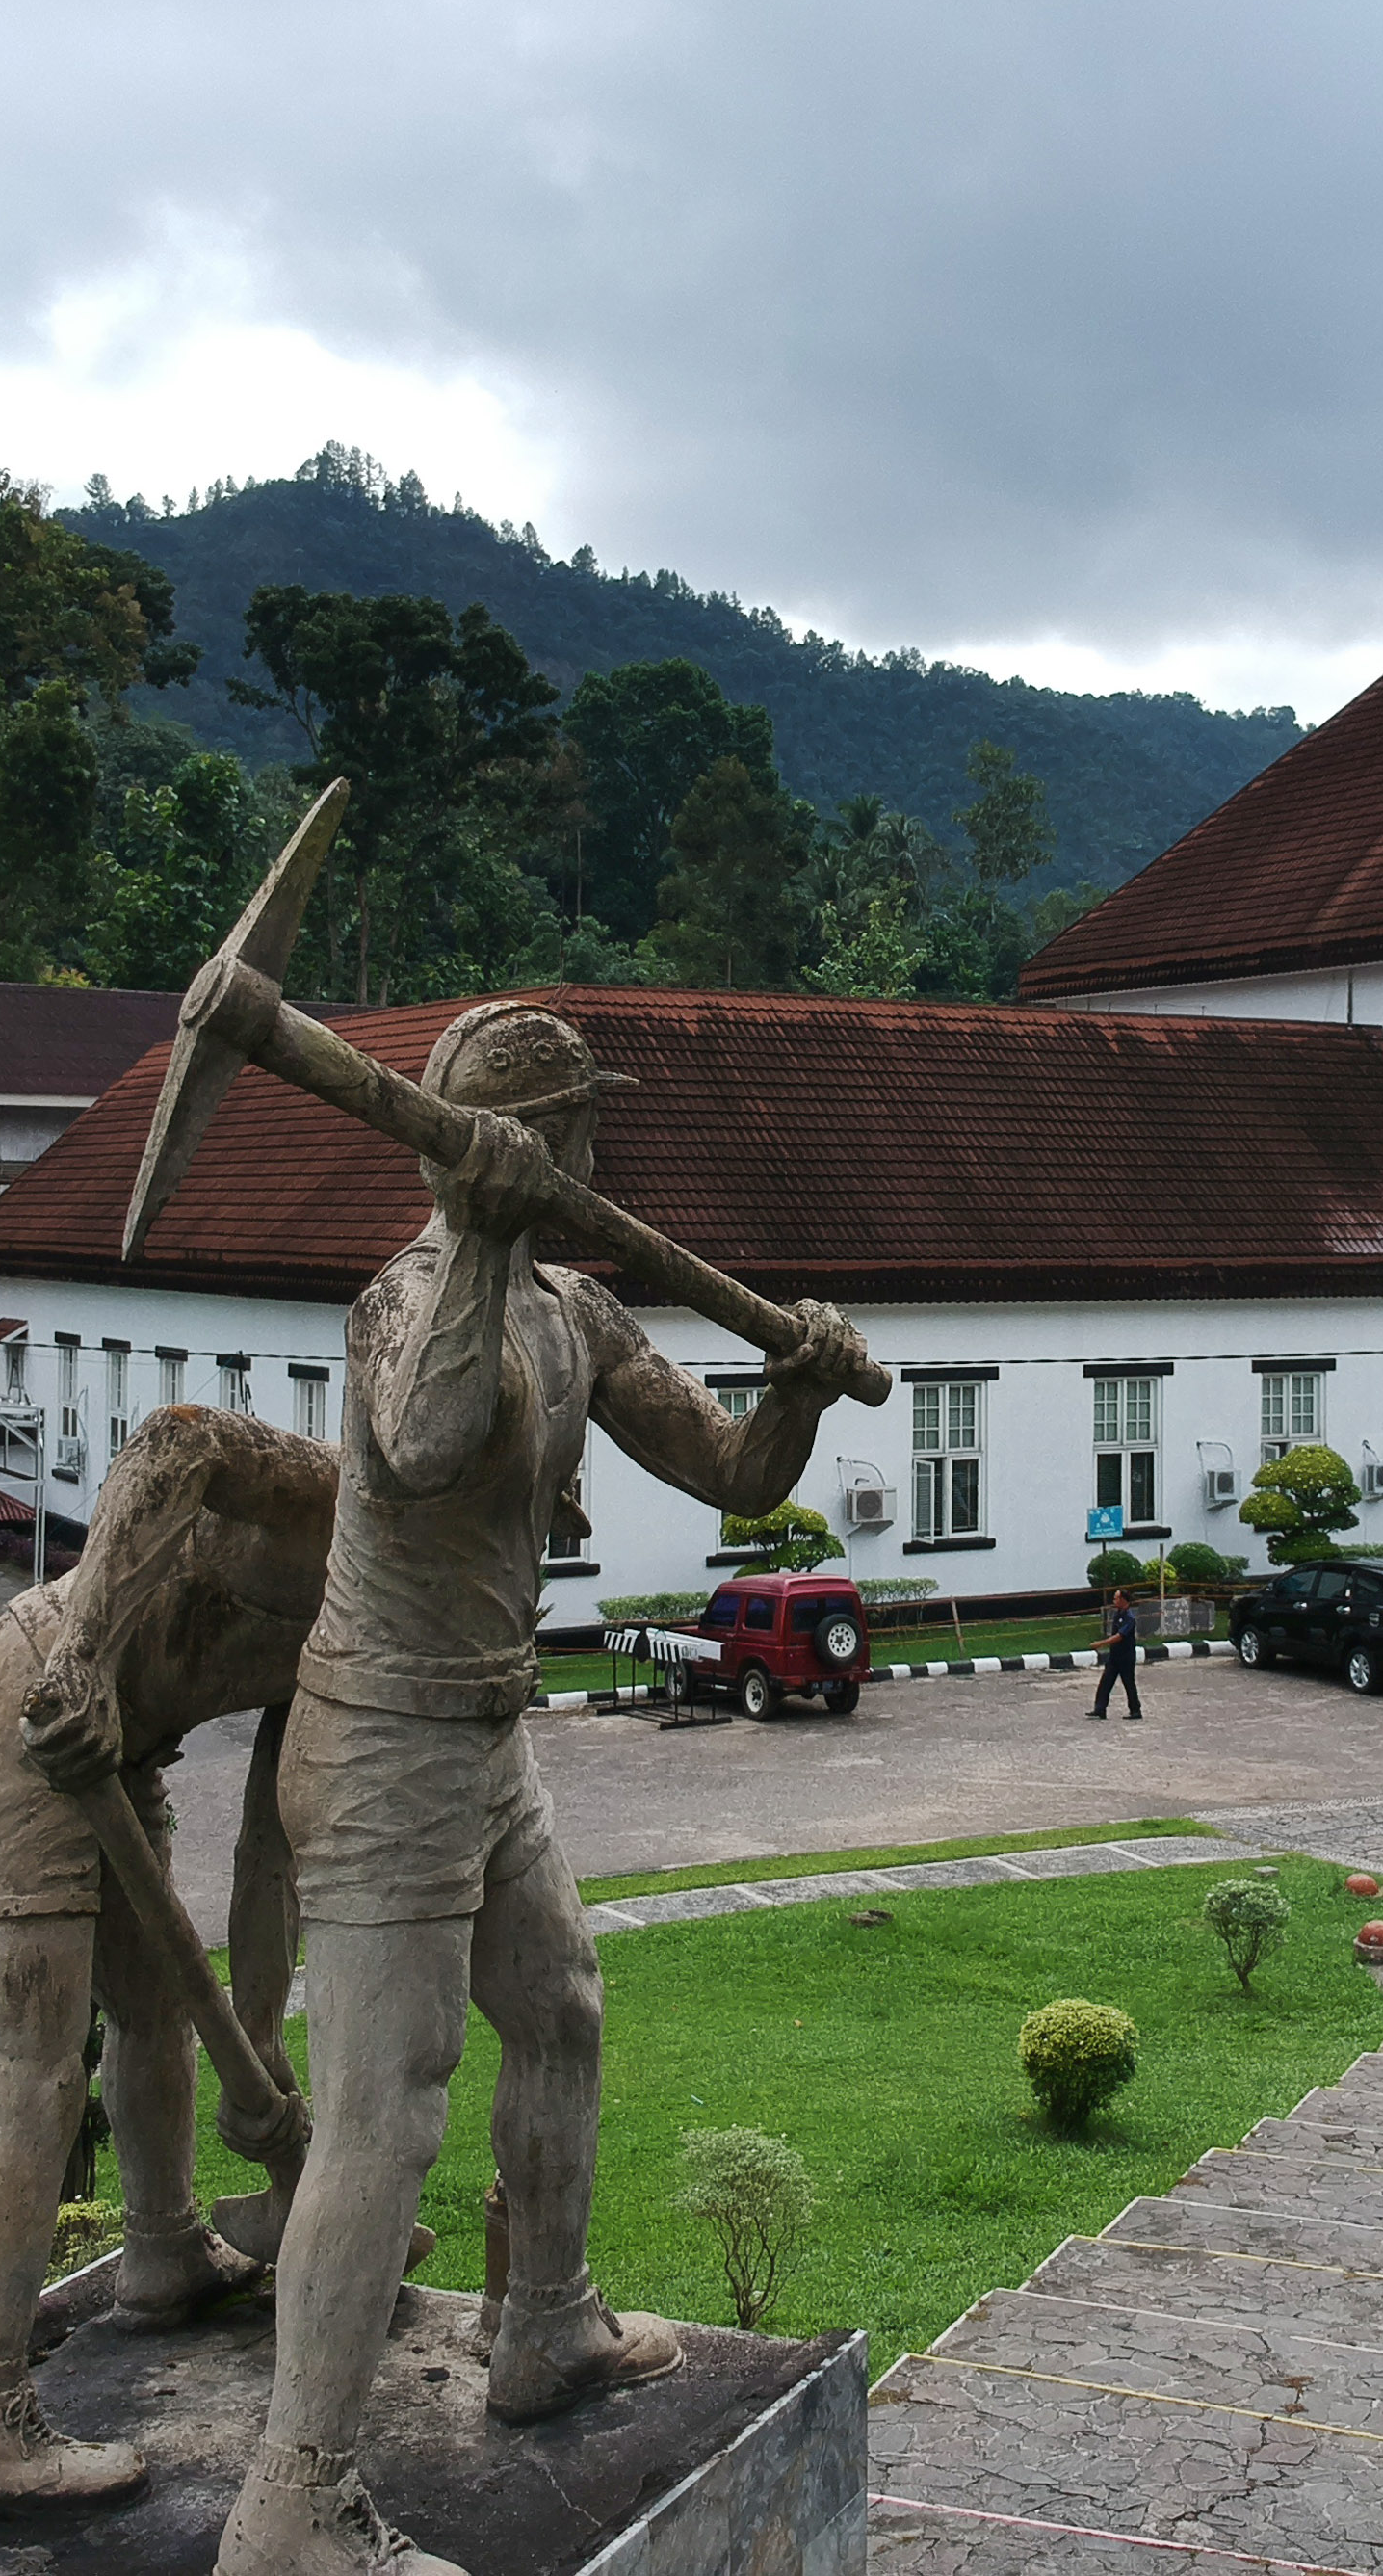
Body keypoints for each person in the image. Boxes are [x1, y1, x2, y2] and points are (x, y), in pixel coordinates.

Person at [210, 1000, 876, 2576]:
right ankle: (291, 2503)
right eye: (586, 1128)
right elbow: (429, 1447)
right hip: (378, 1741)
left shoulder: (579, 1308)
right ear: (538, 1139)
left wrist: (798, 1376)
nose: (600, 1154)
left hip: (486, 1732)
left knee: (562, 2006)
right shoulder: (405, 1301)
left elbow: (725, 1469)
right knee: (384, 2114)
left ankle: (549, 2326)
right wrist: (487, 1246)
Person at [0, 1406, 333, 2517]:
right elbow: (171, 1443)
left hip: (124, 1742)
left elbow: (267, 1841)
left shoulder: (382, 1610)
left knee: (157, 2016)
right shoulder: (336, 1493)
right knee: (30, 2072)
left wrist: (266, 2049)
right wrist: (83, 1662)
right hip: (27, 1707)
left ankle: (165, 2246)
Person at [1089, 1586, 1144, 1720]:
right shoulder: (1118, 1613)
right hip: (1115, 1655)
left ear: (1124, 1600)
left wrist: (1101, 1643)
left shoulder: (1129, 1617)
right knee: (1106, 1682)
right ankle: (1100, 1709)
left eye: (1117, 1597)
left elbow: (1119, 1636)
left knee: (1129, 1683)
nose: (1114, 1600)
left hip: (1126, 1656)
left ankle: (1135, 1710)